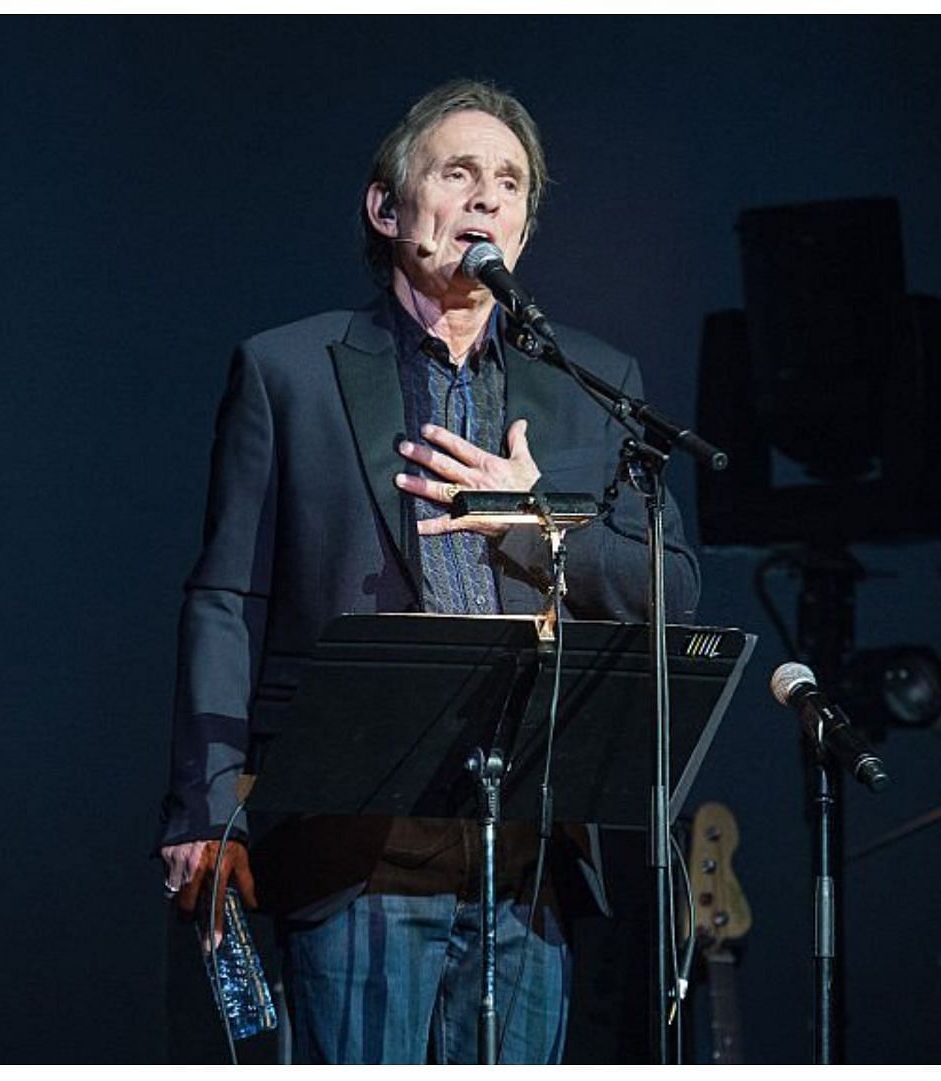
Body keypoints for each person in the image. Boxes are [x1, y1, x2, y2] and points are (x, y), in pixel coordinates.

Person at [157, 77, 700, 1065]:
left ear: (527, 228)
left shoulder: (593, 384)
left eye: (510, 182)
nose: (489, 197)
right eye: (460, 172)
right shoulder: (290, 371)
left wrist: (534, 528)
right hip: (361, 845)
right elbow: (226, 597)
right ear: (387, 207)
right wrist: (207, 807)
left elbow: (674, 585)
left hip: (532, 849)